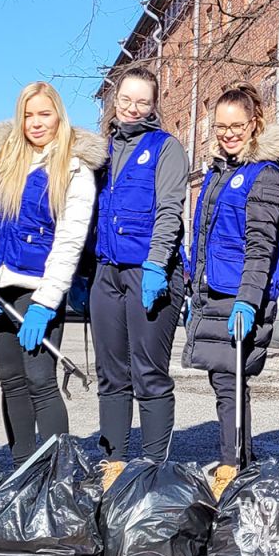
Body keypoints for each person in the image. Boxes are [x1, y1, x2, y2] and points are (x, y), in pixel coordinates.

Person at [0, 81, 105, 466]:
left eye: (44, 113)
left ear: (58, 115)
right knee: (11, 383)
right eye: (28, 115)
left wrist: (46, 302)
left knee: (40, 381)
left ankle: (56, 472)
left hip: (38, 290)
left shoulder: (74, 167)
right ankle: (23, 470)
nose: (36, 122)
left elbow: (69, 239)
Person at [185, 83, 279, 498]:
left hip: (239, 293)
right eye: (221, 127)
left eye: (237, 126)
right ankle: (238, 458)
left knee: (231, 380)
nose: (228, 134)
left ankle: (231, 466)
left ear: (254, 124)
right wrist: (196, 290)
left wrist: (249, 300)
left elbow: (260, 244)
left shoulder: (264, 174)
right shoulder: (218, 171)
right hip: (213, 290)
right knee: (222, 380)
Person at [88, 66, 189, 464]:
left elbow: (169, 210)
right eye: (126, 99)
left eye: (142, 101)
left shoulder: (166, 147)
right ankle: (113, 464)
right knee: (111, 376)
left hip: (149, 272)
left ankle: (152, 468)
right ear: (116, 99)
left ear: (153, 105)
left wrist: (156, 264)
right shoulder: (100, 150)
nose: (132, 108)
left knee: (148, 373)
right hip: (106, 272)